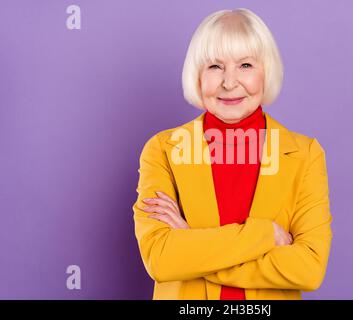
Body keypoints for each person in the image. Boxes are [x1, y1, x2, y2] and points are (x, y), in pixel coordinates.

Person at [132, 8, 333, 300]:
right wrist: (265, 235)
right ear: (197, 76)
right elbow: (161, 259)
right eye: (214, 66)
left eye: (246, 65)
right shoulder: (163, 150)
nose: (229, 82)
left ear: (268, 71)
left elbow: (309, 269)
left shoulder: (304, 154)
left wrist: (192, 248)